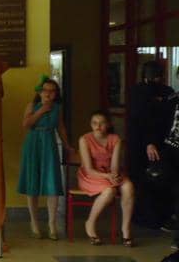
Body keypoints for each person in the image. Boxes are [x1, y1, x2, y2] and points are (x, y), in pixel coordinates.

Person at [18, 76, 71, 240]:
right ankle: (34, 223)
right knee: (32, 183)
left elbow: (61, 127)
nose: (48, 94)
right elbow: (26, 124)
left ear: (56, 94)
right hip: (33, 144)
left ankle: (52, 224)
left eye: (52, 91)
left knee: (52, 182)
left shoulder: (58, 108)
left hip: (49, 144)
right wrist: (41, 111)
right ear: (40, 92)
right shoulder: (32, 106)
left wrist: (67, 145)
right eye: (45, 90)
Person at [127, 60, 175, 229]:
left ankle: (156, 216)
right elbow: (141, 119)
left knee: (158, 179)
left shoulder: (166, 92)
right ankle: (147, 217)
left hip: (160, 143)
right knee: (145, 179)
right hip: (143, 144)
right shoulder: (139, 92)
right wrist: (149, 142)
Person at [77, 110, 135, 246]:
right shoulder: (84, 139)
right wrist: (107, 177)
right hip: (91, 175)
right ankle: (90, 223)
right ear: (90, 124)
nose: (98, 126)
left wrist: (114, 175)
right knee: (109, 191)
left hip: (110, 172)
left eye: (102, 123)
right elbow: (89, 169)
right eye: (94, 123)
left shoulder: (115, 139)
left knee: (128, 187)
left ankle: (126, 230)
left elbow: (115, 165)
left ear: (108, 125)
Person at [145, 65, 179, 237]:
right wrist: (151, 142)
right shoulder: (172, 99)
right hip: (171, 148)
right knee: (168, 184)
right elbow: (158, 122)